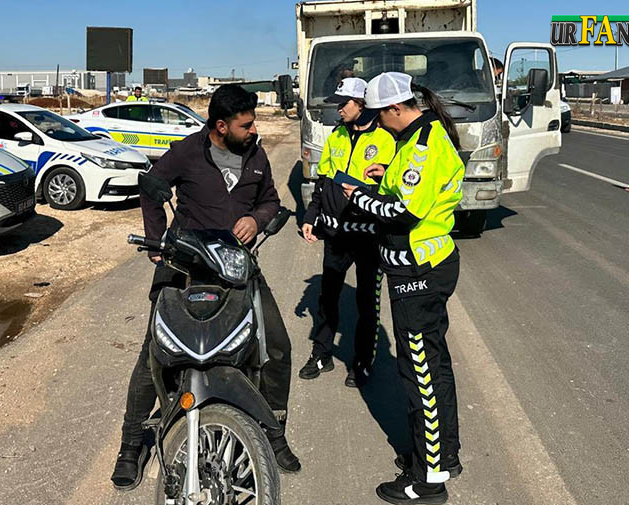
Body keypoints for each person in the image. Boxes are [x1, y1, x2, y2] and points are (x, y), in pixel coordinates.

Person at [111, 84, 301, 491]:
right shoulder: (187, 151)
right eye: (246, 124)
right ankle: (131, 445)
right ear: (220, 126)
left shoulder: (256, 154)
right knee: (154, 353)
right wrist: (158, 243)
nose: (254, 130)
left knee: (276, 346)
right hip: (185, 265)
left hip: (238, 266)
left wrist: (258, 219)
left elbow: (270, 200)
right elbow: (151, 187)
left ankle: (272, 432)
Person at [340, 72, 464, 504]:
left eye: (379, 116)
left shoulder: (425, 145)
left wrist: (357, 194)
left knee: (421, 374)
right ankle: (436, 455)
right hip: (416, 268)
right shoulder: (416, 140)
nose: (376, 125)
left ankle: (428, 480)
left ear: (396, 109)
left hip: (419, 272)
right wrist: (383, 174)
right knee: (430, 367)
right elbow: (408, 187)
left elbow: (403, 213)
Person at [298, 77, 396, 387]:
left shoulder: (386, 140)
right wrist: (311, 215)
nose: (338, 108)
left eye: (344, 103)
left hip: (368, 236)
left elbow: (392, 190)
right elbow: (323, 181)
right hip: (336, 235)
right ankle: (321, 354)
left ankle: (363, 361)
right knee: (327, 298)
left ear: (362, 104)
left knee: (367, 302)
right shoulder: (336, 136)